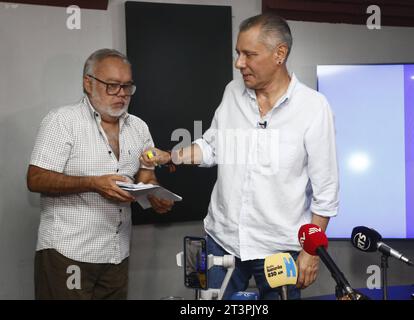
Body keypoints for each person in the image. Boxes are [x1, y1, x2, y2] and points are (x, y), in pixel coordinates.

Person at [141, 13, 338, 300]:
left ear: (279, 54)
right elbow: (213, 146)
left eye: (249, 54)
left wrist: (311, 251)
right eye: (237, 53)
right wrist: (170, 155)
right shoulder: (232, 92)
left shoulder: (314, 108)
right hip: (221, 239)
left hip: (278, 248)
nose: (239, 63)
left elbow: (326, 191)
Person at [27, 49, 174, 300]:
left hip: (116, 254)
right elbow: (36, 178)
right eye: (112, 86)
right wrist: (93, 184)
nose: (121, 95)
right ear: (88, 83)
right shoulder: (62, 121)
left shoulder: (139, 127)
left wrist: (154, 195)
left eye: (127, 87)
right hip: (67, 253)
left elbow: (146, 175)